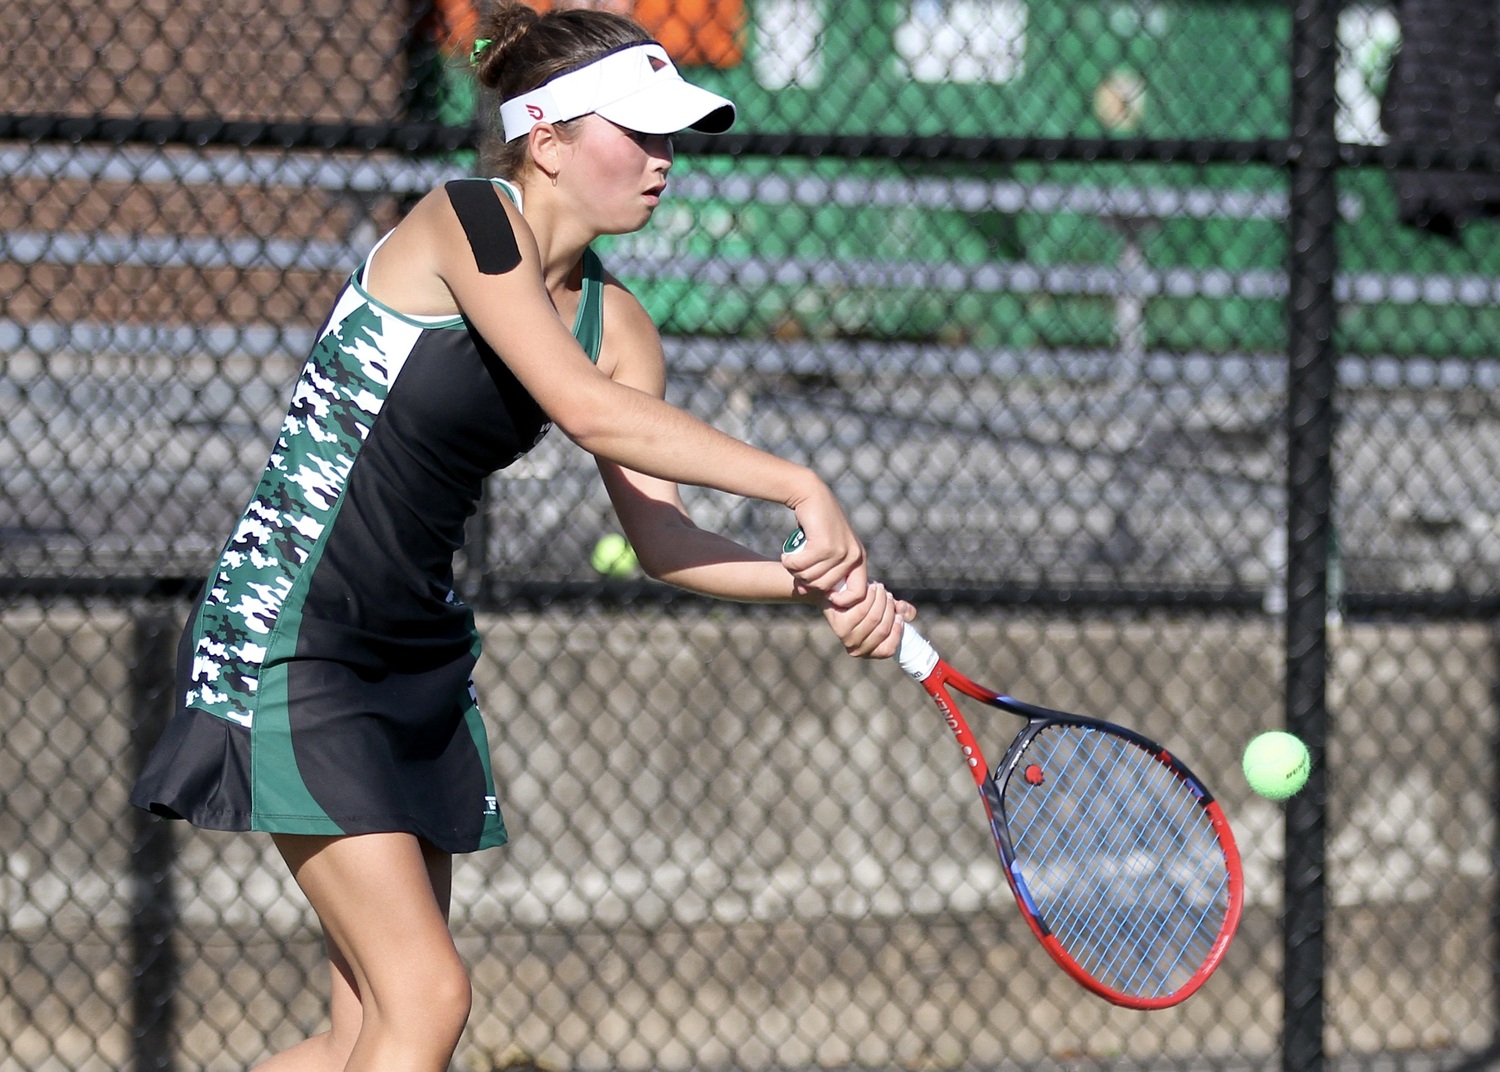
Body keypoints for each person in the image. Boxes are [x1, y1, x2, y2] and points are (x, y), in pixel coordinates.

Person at [129, 4, 915, 1071]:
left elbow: (663, 539)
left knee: (363, 1031)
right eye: (637, 133)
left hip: (417, 658)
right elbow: (584, 409)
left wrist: (816, 584)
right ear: (545, 138)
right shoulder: (467, 220)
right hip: (294, 633)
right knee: (428, 998)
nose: (663, 160)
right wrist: (798, 482)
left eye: (671, 136)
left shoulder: (619, 322)